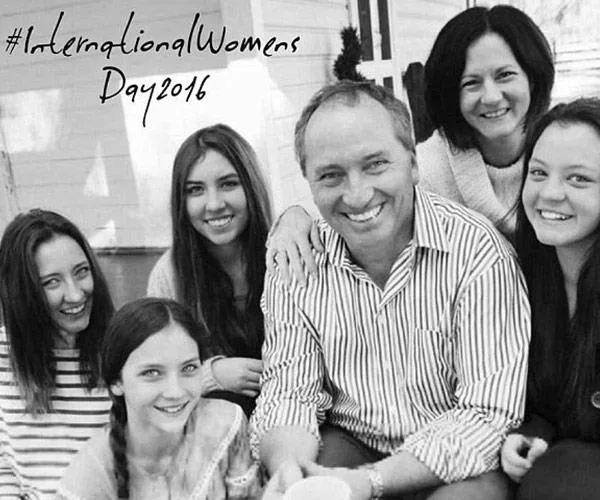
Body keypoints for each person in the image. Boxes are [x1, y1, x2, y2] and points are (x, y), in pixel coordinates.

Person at [252, 80, 531, 500]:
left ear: (413, 164)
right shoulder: (297, 261)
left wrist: (373, 480)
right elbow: (289, 392)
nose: (357, 194)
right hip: (352, 441)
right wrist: (290, 469)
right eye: (331, 175)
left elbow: (487, 414)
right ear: (308, 181)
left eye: (376, 164)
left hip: (458, 462)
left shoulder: (478, 252)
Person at [265, 4, 554, 282]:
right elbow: (357, 196)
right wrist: (294, 217)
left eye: (505, 75)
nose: (491, 97)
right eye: (471, 83)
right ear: (451, 93)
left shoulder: (562, 149)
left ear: (533, 77)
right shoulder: (430, 167)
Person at [56, 297, 261, 500]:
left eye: (189, 368)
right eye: (152, 373)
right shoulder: (90, 475)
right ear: (116, 382)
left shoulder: (224, 423)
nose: (175, 392)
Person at [500, 98, 600, 500]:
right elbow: (541, 401)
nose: (550, 193)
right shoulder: (517, 275)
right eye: (538, 173)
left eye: (578, 179)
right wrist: (530, 435)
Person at [147, 124, 273, 416]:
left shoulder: (285, 251)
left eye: (228, 184)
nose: (214, 204)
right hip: (211, 422)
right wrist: (212, 375)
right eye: (196, 190)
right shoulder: (169, 275)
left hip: (295, 412)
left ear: (251, 186)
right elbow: (157, 374)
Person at [0, 209, 115, 499]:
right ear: (21, 292)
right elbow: (3, 463)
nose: (76, 295)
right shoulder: (3, 353)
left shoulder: (122, 347)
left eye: (82, 272)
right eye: (52, 282)